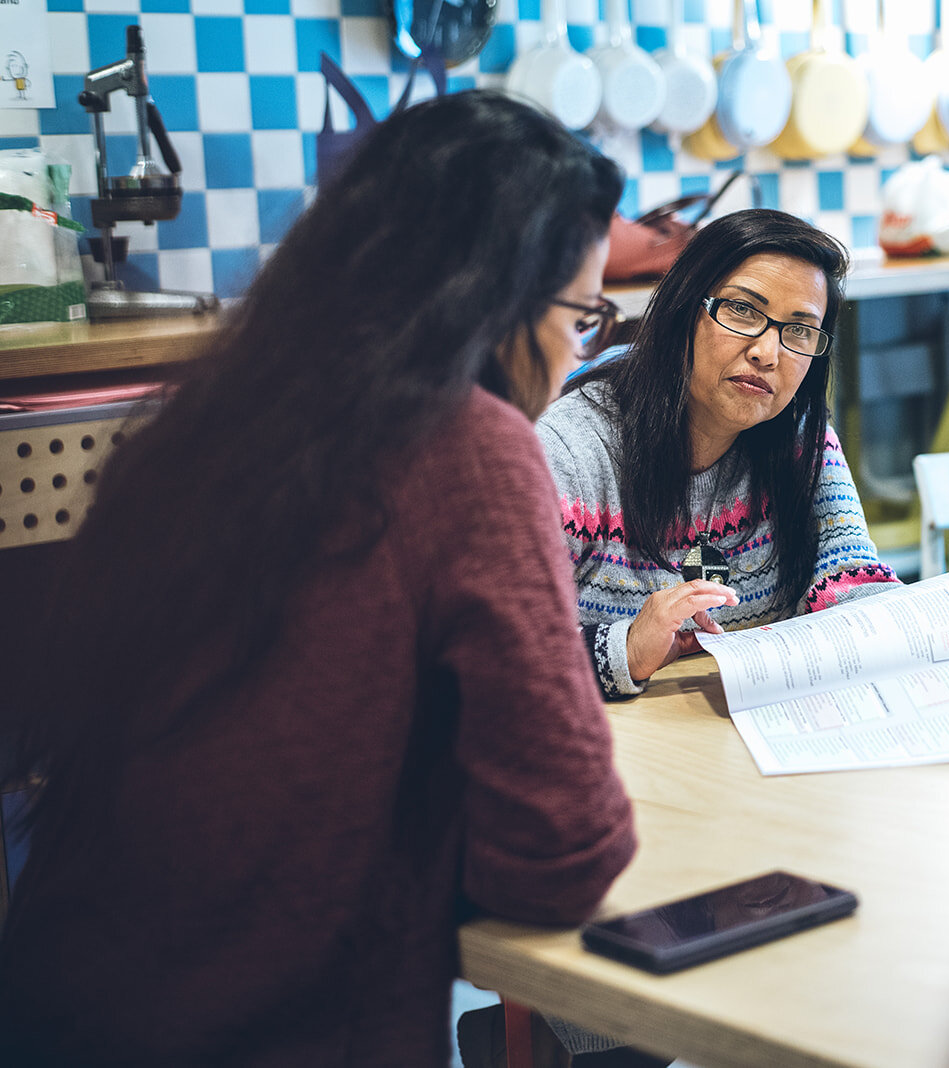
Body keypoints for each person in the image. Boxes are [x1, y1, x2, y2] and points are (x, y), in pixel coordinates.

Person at [0, 91, 637, 1066]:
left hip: (56, 1006)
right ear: (495, 301)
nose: (578, 352)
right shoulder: (469, 445)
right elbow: (563, 855)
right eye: (583, 316)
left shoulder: (198, 430)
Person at [538, 208, 949, 699]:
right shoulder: (569, 451)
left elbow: (853, 590)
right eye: (742, 311)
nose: (767, 352)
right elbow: (503, 657)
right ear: (683, 310)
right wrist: (625, 648)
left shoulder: (800, 440)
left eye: (798, 330)